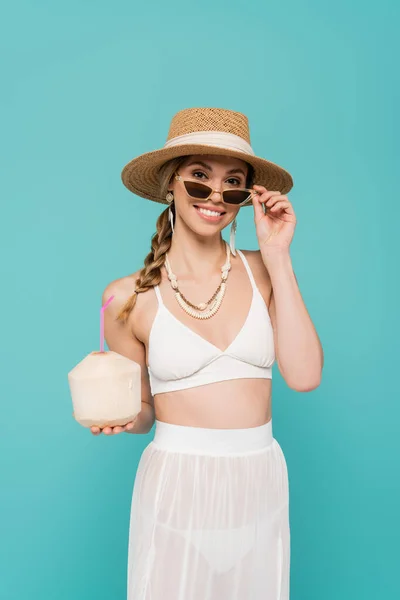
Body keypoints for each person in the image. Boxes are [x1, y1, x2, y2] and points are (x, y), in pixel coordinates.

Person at [91, 107, 324, 599]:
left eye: (233, 183)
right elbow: (144, 413)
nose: (215, 196)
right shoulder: (126, 299)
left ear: (245, 197)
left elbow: (303, 376)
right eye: (199, 178)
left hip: (259, 486)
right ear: (170, 186)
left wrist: (279, 254)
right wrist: (117, 416)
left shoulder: (265, 271)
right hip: (176, 489)